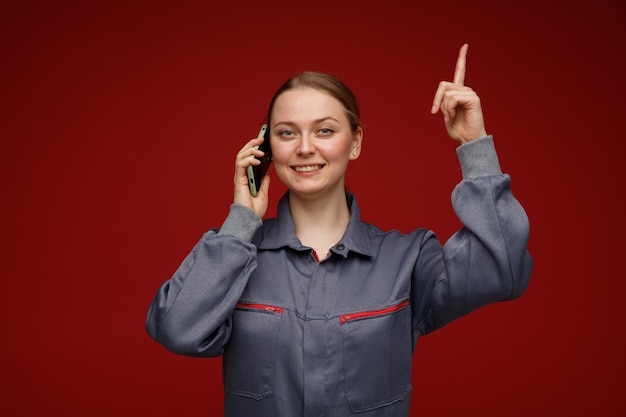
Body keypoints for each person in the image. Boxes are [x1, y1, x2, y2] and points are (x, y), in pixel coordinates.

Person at [145, 44, 533, 417]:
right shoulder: (233, 257)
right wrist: (241, 220)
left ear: (355, 142)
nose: (305, 147)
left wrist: (475, 145)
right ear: (266, 149)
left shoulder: (407, 258)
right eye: (286, 133)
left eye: (325, 131)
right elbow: (178, 330)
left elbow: (504, 270)